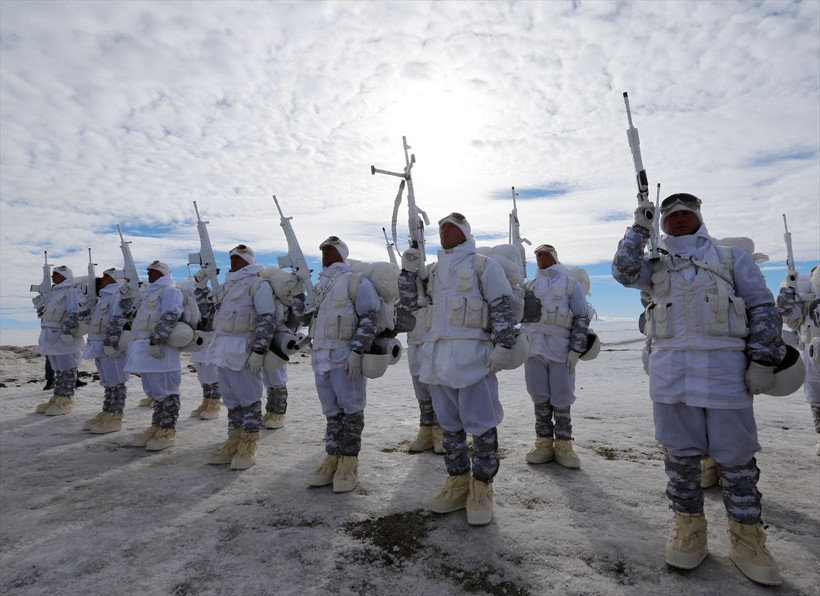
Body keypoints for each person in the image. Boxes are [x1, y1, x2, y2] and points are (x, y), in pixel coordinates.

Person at [612, 193, 785, 585]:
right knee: (680, 456)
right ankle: (689, 528)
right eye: (670, 216)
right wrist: (639, 227)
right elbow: (622, 272)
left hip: (725, 369)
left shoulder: (729, 258)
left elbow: (761, 307)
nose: (679, 220)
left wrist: (762, 359)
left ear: (700, 218)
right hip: (671, 370)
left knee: (737, 458)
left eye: (687, 213)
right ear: (663, 223)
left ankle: (747, 538)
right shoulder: (655, 260)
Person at [398, 213, 516, 526]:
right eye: (442, 228)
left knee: (481, 425)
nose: (445, 232)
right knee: (449, 427)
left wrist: (504, 345)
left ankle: (481, 486)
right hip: (437, 358)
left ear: (465, 232)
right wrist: (408, 272)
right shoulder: (433, 271)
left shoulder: (483, 266)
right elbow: (411, 304)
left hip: (474, 356)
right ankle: (457, 481)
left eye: (452, 227)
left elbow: (501, 304)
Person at [306, 236, 380, 493]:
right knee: (331, 410)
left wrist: (358, 351)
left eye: (330, 249)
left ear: (341, 253)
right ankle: (332, 455)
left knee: (351, 408)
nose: (325, 253)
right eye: (323, 249)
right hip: (322, 357)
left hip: (345, 355)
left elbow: (370, 317)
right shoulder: (320, 285)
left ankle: (349, 460)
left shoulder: (355, 281)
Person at [197, 244, 277, 470]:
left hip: (244, 350)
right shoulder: (227, 287)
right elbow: (207, 312)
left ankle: (249, 444)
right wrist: (201, 287)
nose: (233, 261)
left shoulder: (257, 285)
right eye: (231, 257)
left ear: (249, 260)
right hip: (222, 350)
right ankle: (234, 439)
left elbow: (266, 318)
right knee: (231, 398)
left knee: (248, 397)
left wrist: (259, 350)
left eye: (238, 257)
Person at [521, 243, 589, 468]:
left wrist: (576, 349)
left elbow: (581, 317)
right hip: (533, 349)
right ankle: (543, 442)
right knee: (539, 396)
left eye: (545, 254)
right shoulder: (529, 285)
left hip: (560, 350)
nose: (540, 257)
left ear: (554, 257)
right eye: (537, 254)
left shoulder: (570, 286)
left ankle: (563, 445)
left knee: (561, 398)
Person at [125, 261, 184, 451]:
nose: (148, 273)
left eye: (153, 271)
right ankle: (157, 425)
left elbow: (171, 314)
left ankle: (167, 430)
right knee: (154, 391)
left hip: (161, 350)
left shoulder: (170, 291)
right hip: (145, 349)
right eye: (148, 270)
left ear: (162, 273)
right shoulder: (149, 294)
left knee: (167, 391)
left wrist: (157, 340)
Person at [82, 268, 133, 433]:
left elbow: (119, 320)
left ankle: (116, 415)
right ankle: (107, 411)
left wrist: (111, 344)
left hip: (112, 346)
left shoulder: (117, 296)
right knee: (108, 381)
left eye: (106, 276)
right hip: (99, 345)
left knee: (117, 381)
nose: (102, 279)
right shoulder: (102, 298)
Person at [777, 265, 820, 455]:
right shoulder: (805, 293)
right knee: (816, 397)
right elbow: (788, 314)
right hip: (811, 351)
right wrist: (789, 291)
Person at [35, 265, 89, 416]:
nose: (52, 277)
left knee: (67, 369)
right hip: (51, 337)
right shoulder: (54, 292)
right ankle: (58, 397)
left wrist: (68, 331)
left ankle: (66, 400)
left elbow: (74, 312)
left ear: (64, 276)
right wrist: (40, 308)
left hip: (63, 336)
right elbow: (47, 314)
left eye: (56, 274)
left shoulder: (71, 291)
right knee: (58, 369)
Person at [405, 306, 444, 454]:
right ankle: (426, 431)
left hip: (436, 341)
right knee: (421, 392)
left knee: (438, 391)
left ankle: (441, 432)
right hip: (415, 340)